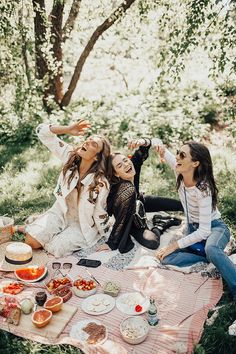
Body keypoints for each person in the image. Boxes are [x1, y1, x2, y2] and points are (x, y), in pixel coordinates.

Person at [2, 120, 111, 258]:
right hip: (60, 212)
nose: (87, 143)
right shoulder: (70, 156)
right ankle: (34, 227)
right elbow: (41, 131)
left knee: (55, 248)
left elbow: (100, 212)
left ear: (96, 157)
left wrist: (111, 239)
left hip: (82, 225)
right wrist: (68, 128)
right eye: (88, 140)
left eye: (93, 144)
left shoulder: (100, 183)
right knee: (31, 242)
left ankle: (33, 226)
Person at [155, 141, 236, 299]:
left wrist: (174, 245)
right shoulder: (180, 170)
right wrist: (147, 143)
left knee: (211, 248)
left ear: (195, 163)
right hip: (193, 229)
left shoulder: (203, 189)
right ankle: (209, 258)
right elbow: (160, 147)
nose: (177, 157)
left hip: (214, 228)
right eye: (178, 153)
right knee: (165, 258)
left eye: (182, 155)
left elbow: (205, 231)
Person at [99, 138, 183, 253]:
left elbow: (143, 149)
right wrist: (112, 242)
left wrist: (142, 141)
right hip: (131, 217)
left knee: (179, 205)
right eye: (119, 165)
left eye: (125, 160)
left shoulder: (131, 166)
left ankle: (163, 217)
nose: (125, 165)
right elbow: (122, 218)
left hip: (140, 201)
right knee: (152, 242)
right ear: (115, 173)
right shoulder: (122, 189)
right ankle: (161, 223)